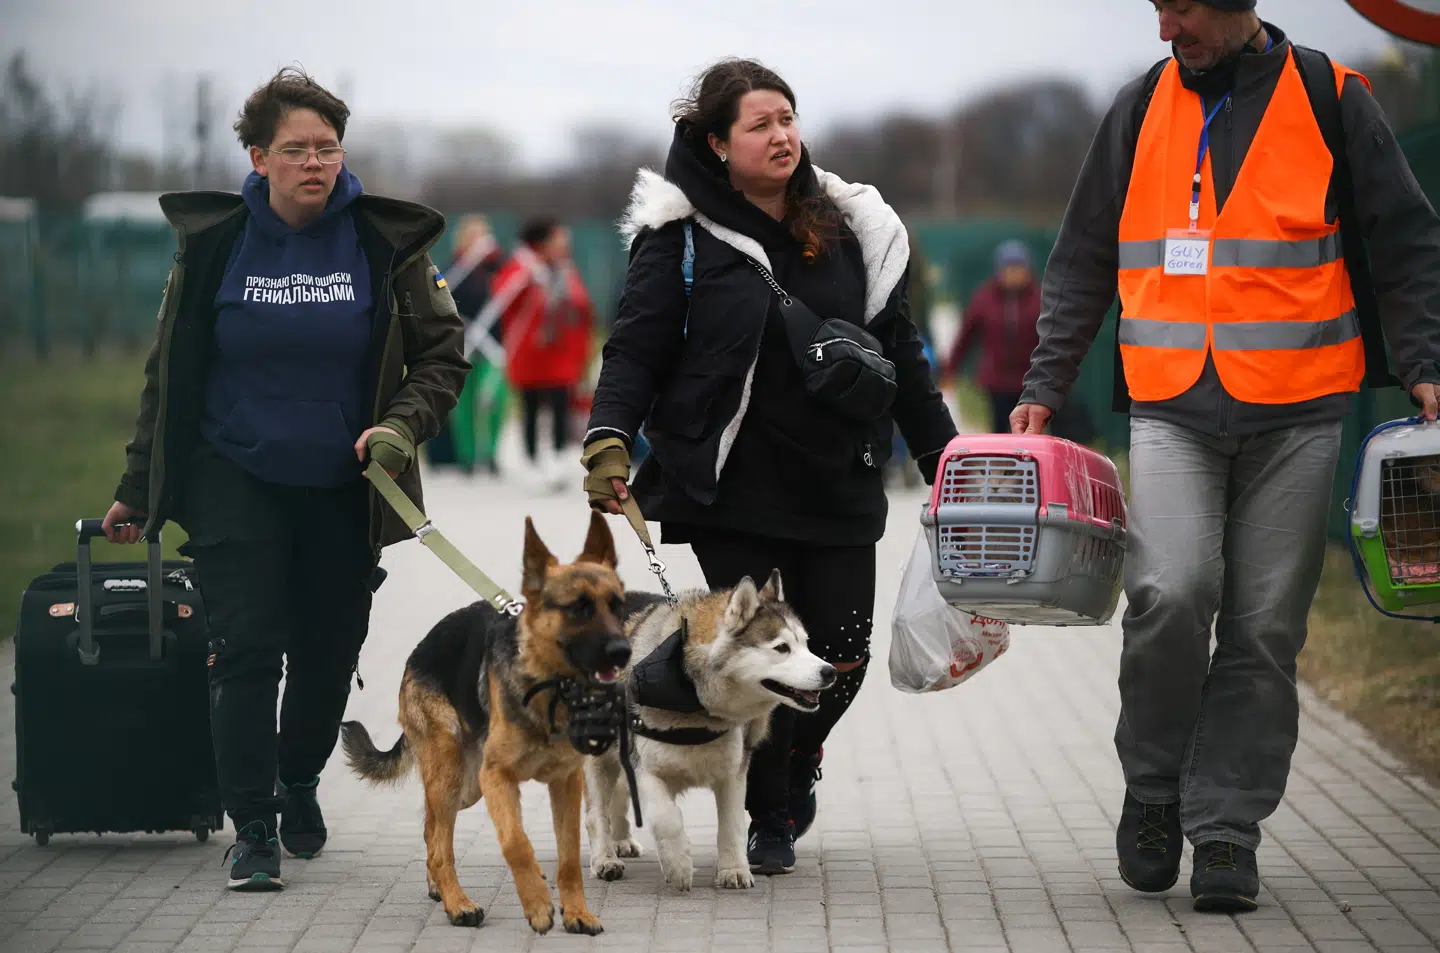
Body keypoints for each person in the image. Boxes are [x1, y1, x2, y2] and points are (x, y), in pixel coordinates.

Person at [1012, 0, 1440, 913]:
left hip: (1302, 407)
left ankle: (1226, 829)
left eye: (1184, 9)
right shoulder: (1138, 108)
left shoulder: (1331, 95)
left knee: (1264, 627)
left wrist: (1426, 361)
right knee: (1169, 593)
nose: (1167, 30)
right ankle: (1154, 789)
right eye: (1157, 9)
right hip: (1171, 402)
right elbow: (1082, 254)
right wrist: (1046, 380)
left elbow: (1406, 239)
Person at [580, 58, 957, 874]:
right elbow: (636, 348)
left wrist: (946, 457)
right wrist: (608, 436)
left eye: (788, 118)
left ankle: (797, 756)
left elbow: (901, 352)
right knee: (761, 651)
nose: (782, 135)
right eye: (760, 124)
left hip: (839, 471)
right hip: (731, 484)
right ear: (718, 143)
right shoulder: (679, 237)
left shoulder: (851, 225)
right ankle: (770, 809)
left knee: (843, 649)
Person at [99, 67, 469, 891]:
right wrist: (137, 482)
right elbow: (169, 374)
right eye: (296, 149)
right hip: (233, 475)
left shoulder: (385, 244)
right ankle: (253, 826)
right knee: (246, 647)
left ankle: (297, 775)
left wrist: (400, 425)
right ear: (259, 158)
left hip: (344, 482)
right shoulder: (216, 245)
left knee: (329, 652)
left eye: (328, 148)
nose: (315, 163)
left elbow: (444, 356)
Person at [484, 217, 594, 479]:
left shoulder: (565, 269)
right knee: (530, 405)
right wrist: (530, 278)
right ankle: (531, 459)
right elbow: (502, 296)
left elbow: (582, 305)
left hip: (559, 352)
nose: (563, 245)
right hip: (529, 353)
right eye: (558, 239)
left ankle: (558, 456)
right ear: (542, 242)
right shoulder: (521, 267)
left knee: (561, 403)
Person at [941, 239, 1042, 434]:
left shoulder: (1039, 299)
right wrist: (950, 369)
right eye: (1009, 268)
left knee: (1030, 430)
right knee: (1000, 428)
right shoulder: (984, 298)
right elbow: (966, 336)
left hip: (1031, 379)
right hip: (997, 380)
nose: (1013, 274)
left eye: (1019, 268)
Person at [444, 214, 508, 475]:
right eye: (473, 235)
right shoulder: (455, 268)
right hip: (463, 344)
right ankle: (467, 457)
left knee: (494, 399)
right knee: (464, 401)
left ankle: (491, 453)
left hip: (494, 345)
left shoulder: (497, 267)